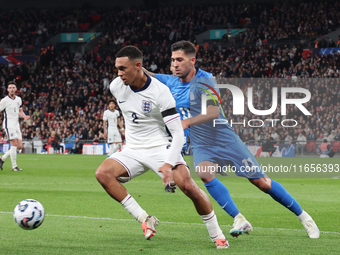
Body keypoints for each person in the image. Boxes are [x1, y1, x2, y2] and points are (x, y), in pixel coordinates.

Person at [145, 40, 319, 239]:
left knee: (261, 183)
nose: (175, 64)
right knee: (205, 174)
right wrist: (136, 67)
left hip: (223, 138)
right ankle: (239, 218)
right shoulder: (171, 81)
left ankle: (304, 217)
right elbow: (150, 76)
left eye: (179, 60)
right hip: (201, 143)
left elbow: (213, 112)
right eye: (172, 60)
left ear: (192, 60)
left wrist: (186, 123)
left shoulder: (205, 80)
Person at [95, 46, 229, 249]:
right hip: (133, 148)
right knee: (103, 174)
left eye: (123, 68)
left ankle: (217, 235)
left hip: (161, 146)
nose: (119, 73)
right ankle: (145, 218)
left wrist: (168, 163)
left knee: (188, 187)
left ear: (138, 66)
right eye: (117, 69)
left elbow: (177, 134)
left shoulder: (160, 92)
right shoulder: (116, 86)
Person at [0, 81, 30, 171]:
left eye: (13, 87)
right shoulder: (4, 100)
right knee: (14, 143)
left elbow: (20, 110)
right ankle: (14, 166)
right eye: (10, 88)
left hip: (16, 124)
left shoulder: (18, 99)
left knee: (19, 146)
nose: (12, 89)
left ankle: (2, 158)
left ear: (16, 89)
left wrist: (25, 116)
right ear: (8, 89)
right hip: (8, 124)